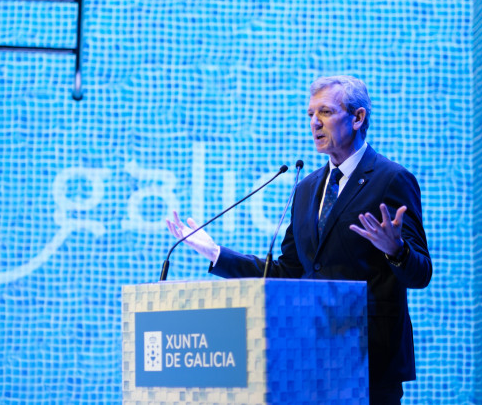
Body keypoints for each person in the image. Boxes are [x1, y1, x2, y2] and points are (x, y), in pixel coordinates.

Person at [166, 75, 432, 404]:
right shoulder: (306, 188)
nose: (314, 123)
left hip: (368, 362)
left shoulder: (391, 179)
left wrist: (396, 250)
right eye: (309, 114)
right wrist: (217, 253)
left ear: (358, 117)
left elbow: (420, 274)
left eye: (325, 112)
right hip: (310, 358)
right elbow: (289, 271)